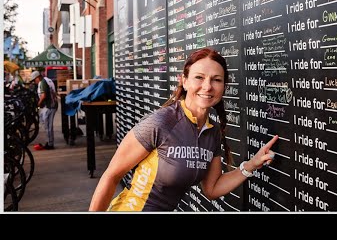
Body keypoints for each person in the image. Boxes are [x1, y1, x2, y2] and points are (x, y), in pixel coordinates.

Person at [89, 48, 278, 211]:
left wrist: (251, 165)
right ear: (185, 81)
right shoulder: (161, 122)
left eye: (216, 80)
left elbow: (211, 189)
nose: (207, 86)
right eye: (199, 77)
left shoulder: (212, 133)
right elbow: (112, 175)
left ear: (224, 86)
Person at [30, 70, 58, 150]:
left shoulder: (42, 82)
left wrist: (38, 104)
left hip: (50, 106)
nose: (34, 82)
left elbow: (43, 95)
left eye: (34, 80)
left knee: (48, 125)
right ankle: (49, 142)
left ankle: (50, 144)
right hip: (51, 105)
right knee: (46, 124)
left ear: (37, 77)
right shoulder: (47, 79)